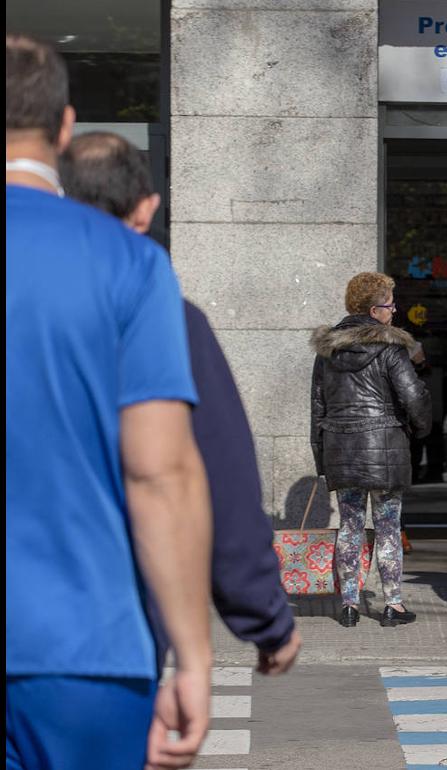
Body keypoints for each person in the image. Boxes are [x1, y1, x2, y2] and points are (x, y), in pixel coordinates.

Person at [6, 34, 213, 769]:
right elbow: (159, 472)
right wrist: (192, 656)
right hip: (81, 640)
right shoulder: (128, 263)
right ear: (64, 127)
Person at [61, 131, 302, 674]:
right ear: (146, 209)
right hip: (101, 627)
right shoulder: (161, 314)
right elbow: (218, 474)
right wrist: (263, 616)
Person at [311, 272, 431, 628]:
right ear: (373, 310)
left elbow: (318, 407)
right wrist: (420, 428)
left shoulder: (328, 350)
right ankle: (393, 605)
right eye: (390, 305)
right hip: (384, 449)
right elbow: (413, 396)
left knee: (350, 525)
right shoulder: (391, 348)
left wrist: (322, 456)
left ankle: (349, 605)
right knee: (388, 526)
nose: (395, 311)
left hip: (341, 447)